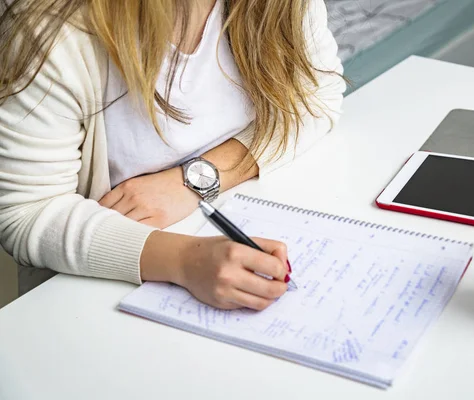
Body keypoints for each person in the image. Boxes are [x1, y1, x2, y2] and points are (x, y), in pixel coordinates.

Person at [0, 0, 345, 310]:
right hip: (96, 294)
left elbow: (316, 97)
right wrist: (184, 262)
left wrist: (195, 180)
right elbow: (27, 212)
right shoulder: (53, 32)